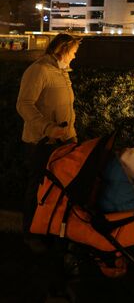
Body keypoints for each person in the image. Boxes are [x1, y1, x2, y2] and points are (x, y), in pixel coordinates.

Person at [16, 33, 82, 241]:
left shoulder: (61, 72)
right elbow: (24, 104)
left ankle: (49, 231)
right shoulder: (39, 70)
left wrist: (71, 137)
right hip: (41, 143)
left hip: (62, 142)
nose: (73, 57)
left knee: (56, 191)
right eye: (72, 53)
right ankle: (31, 234)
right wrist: (48, 128)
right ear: (62, 50)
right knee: (38, 189)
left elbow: (66, 109)